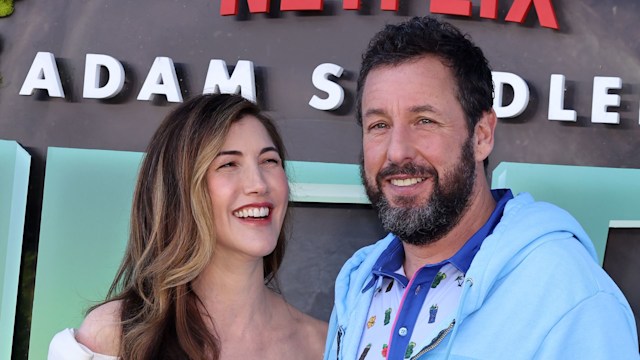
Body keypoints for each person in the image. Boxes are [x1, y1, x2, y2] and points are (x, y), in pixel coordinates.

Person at [324, 16, 639, 360]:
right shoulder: (359, 281)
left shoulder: (571, 298)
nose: (397, 151)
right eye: (379, 125)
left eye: (424, 121)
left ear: (482, 135)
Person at [48, 94, 327, 359]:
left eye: (269, 161)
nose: (259, 184)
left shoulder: (324, 345)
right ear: (179, 190)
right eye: (228, 164)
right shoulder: (113, 336)